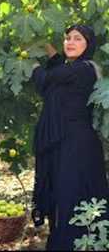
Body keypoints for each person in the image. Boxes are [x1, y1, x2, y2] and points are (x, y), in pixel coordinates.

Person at [31, 25, 109, 250]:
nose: (70, 42)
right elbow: (54, 81)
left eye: (77, 39)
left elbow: (45, 80)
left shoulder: (85, 68)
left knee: (71, 195)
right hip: (64, 142)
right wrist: (48, 48)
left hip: (77, 144)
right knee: (62, 195)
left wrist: (32, 65)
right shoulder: (71, 70)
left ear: (89, 45)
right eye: (67, 38)